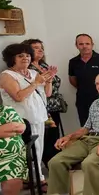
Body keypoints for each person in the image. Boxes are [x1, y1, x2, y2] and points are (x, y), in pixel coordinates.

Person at [0, 43, 55, 187]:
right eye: (20, 56)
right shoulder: (6, 75)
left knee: (39, 148)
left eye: (28, 55)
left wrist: (49, 81)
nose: (25, 58)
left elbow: (47, 94)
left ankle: (37, 176)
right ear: (12, 58)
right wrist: (36, 83)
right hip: (21, 119)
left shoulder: (33, 73)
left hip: (38, 116)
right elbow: (18, 96)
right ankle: (33, 178)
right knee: (29, 151)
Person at [23, 38, 67, 185]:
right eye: (35, 48)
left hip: (53, 106)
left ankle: (56, 167)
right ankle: (49, 170)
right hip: (42, 108)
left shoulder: (43, 65)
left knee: (54, 138)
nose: (40, 50)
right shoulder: (28, 71)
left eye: (41, 47)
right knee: (45, 141)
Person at [68, 34, 99, 126]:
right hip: (82, 100)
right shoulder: (73, 62)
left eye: (87, 43)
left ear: (92, 45)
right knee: (85, 127)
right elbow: (73, 80)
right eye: (81, 44)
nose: (84, 46)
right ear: (76, 46)